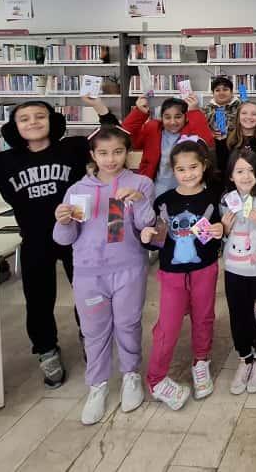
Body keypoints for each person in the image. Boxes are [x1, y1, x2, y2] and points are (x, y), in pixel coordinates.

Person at [0, 96, 117, 388]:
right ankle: (46, 350)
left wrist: (98, 106)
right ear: (14, 127)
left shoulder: (72, 148)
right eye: (24, 119)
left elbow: (113, 138)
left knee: (88, 293)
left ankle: (90, 337)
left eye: (40, 116)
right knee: (38, 300)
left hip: (79, 236)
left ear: (52, 121)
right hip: (35, 240)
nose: (33, 122)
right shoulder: (4, 161)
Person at [53, 126, 155, 425]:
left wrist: (139, 199)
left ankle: (130, 374)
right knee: (94, 330)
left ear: (127, 152)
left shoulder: (140, 183)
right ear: (93, 155)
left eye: (118, 152)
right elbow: (64, 239)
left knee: (128, 323)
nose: (111, 159)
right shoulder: (78, 190)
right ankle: (97, 385)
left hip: (128, 268)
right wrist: (62, 221)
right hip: (88, 273)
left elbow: (146, 226)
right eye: (103, 153)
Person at [140, 140, 224, 408]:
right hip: (172, 274)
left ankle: (201, 362)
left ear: (204, 166)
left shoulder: (214, 198)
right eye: (181, 169)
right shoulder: (164, 201)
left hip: (205, 269)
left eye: (193, 167)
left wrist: (221, 230)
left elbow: (220, 231)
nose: (188, 174)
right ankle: (156, 379)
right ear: (173, 170)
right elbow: (157, 241)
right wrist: (147, 237)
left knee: (204, 317)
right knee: (168, 325)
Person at [219, 149, 256, 395]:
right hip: (233, 270)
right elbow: (219, 236)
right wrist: (224, 229)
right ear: (231, 175)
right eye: (240, 171)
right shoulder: (226, 200)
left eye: (251, 171)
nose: (246, 176)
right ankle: (244, 357)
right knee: (238, 315)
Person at [122, 95, 214, 196]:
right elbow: (125, 136)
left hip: (186, 189)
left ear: (186, 117)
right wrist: (139, 112)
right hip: (154, 189)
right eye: (167, 117)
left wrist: (194, 111)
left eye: (178, 117)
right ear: (161, 118)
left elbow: (207, 142)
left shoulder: (191, 131)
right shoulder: (152, 129)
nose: (172, 122)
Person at [215, 100, 256, 186]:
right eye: (244, 113)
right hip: (234, 188)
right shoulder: (226, 140)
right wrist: (220, 143)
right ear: (238, 117)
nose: (249, 117)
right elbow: (223, 168)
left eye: (254, 114)